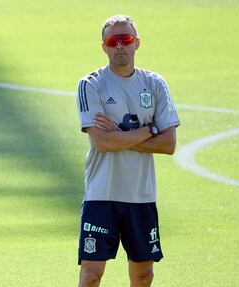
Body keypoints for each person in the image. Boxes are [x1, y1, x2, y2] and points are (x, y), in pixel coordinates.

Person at [76, 14, 180, 287]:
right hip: (102, 194)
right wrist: (150, 130)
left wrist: (120, 135)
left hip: (140, 196)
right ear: (104, 46)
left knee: (144, 275)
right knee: (90, 275)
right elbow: (103, 142)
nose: (120, 46)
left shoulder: (155, 84)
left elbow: (169, 144)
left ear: (137, 43)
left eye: (126, 39)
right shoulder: (91, 84)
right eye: (113, 41)